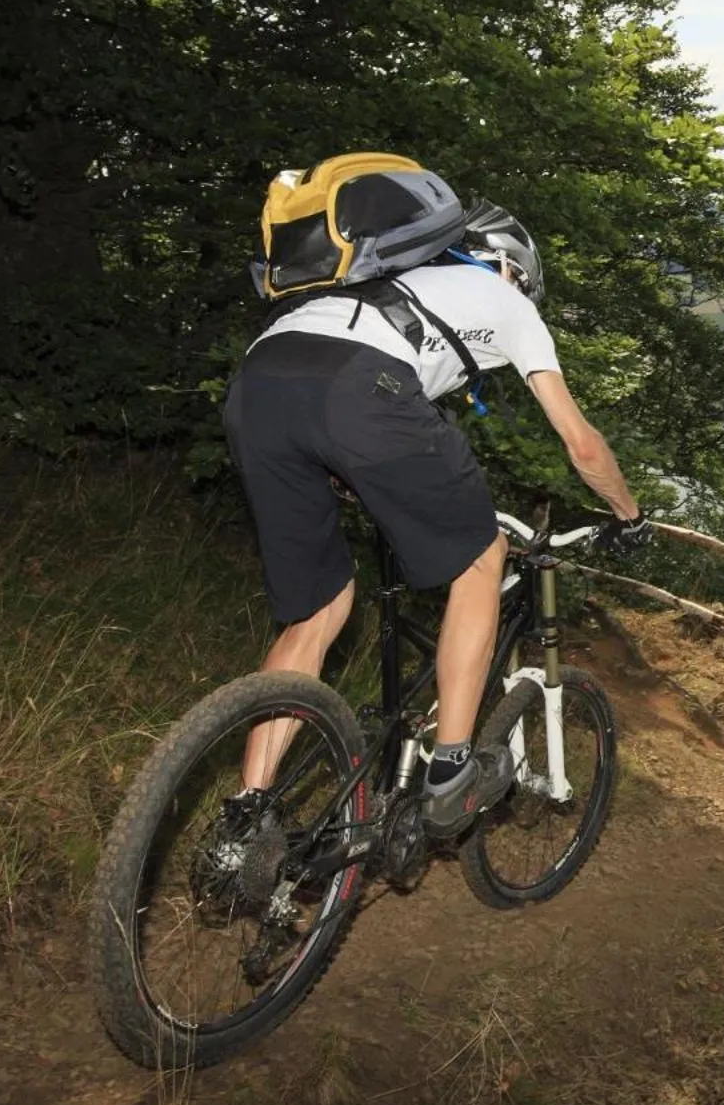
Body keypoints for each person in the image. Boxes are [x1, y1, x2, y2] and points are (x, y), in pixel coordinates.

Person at [222, 198, 649, 837]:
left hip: (257, 382)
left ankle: (245, 818)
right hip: (361, 385)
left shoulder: (384, 284)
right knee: (481, 556)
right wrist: (628, 513)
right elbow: (581, 443)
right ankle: (450, 770)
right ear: (512, 268)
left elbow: (345, 397)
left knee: (316, 612)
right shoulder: (505, 300)